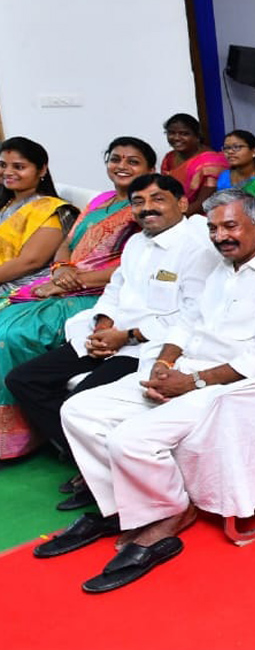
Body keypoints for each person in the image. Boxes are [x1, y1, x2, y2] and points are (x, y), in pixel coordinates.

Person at [43, 190, 255, 592]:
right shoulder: (224, 269)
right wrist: (165, 364)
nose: (220, 237)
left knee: (129, 437)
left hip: (227, 386)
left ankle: (171, 512)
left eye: (230, 226)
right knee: (78, 411)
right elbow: (186, 325)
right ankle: (120, 508)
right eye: (213, 228)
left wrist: (193, 382)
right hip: (182, 370)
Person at [4, 174, 218, 489]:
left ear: (183, 203)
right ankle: (92, 463)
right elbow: (115, 289)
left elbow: (191, 316)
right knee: (23, 379)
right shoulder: (136, 242)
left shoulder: (197, 247)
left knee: (76, 403)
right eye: (139, 202)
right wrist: (104, 323)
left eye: (158, 199)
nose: (147, 209)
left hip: (148, 346)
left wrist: (127, 336)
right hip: (111, 336)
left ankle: (100, 477)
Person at [0, 138, 153, 460]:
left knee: (12, 334)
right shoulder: (100, 201)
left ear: (150, 169)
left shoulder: (145, 207)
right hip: (66, 282)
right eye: (115, 158)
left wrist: (74, 281)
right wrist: (61, 270)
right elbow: (67, 244)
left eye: (133, 161)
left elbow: (133, 266)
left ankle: (20, 434)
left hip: (97, 293)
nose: (122, 165)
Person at [0, 137, 72, 301]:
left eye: (19, 167)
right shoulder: (6, 203)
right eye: (3, 165)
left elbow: (31, 261)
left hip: (20, 288)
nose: (7, 172)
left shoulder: (51, 209)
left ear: (42, 170)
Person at [159, 113, 227, 213]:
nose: (176, 138)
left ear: (197, 136)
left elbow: (204, 202)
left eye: (184, 134)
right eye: (172, 133)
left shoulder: (211, 162)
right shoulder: (169, 158)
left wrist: (176, 218)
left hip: (204, 216)